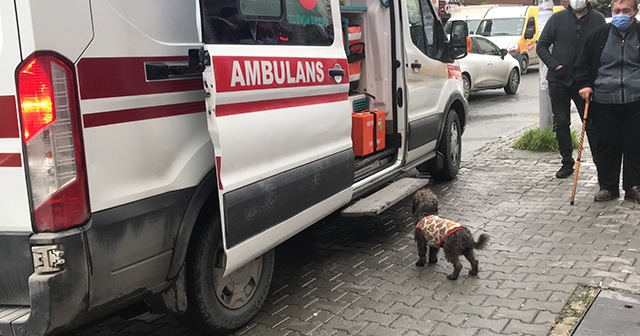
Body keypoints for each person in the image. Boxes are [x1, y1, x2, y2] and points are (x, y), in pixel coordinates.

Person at [574, 0, 640, 203]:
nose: (620, 14)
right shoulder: (599, 34)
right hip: (604, 100)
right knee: (606, 146)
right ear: (611, 11)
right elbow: (582, 64)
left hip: (635, 100)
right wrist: (585, 84)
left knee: (635, 145)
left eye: (626, 11)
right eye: (616, 11)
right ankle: (608, 186)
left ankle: (633, 187)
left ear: (635, 11)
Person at [536, 0, 606, 179]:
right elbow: (541, 45)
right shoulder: (557, 18)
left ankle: (601, 166)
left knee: (592, 124)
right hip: (559, 81)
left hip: (585, 82)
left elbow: (603, 48)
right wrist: (554, 65)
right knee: (561, 122)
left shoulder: (598, 19)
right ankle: (567, 162)